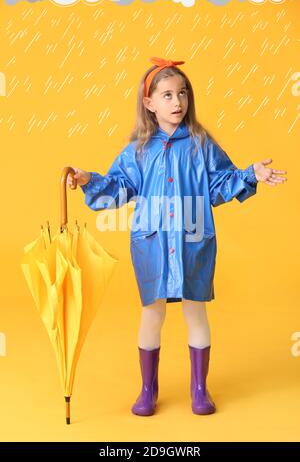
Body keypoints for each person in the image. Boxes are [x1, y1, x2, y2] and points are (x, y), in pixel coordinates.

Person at [67, 57, 287, 417]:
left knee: (195, 312)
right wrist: (89, 179)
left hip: (193, 238)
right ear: (149, 103)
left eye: (182, 93)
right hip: (151, 242)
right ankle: (147, 389)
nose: (177, 102)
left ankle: (199, 389)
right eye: (167, 95)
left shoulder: (201, 144)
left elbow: (220, 184)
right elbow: (119, 188)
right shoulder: (138, 149)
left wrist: (251, 173)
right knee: (151, 314)